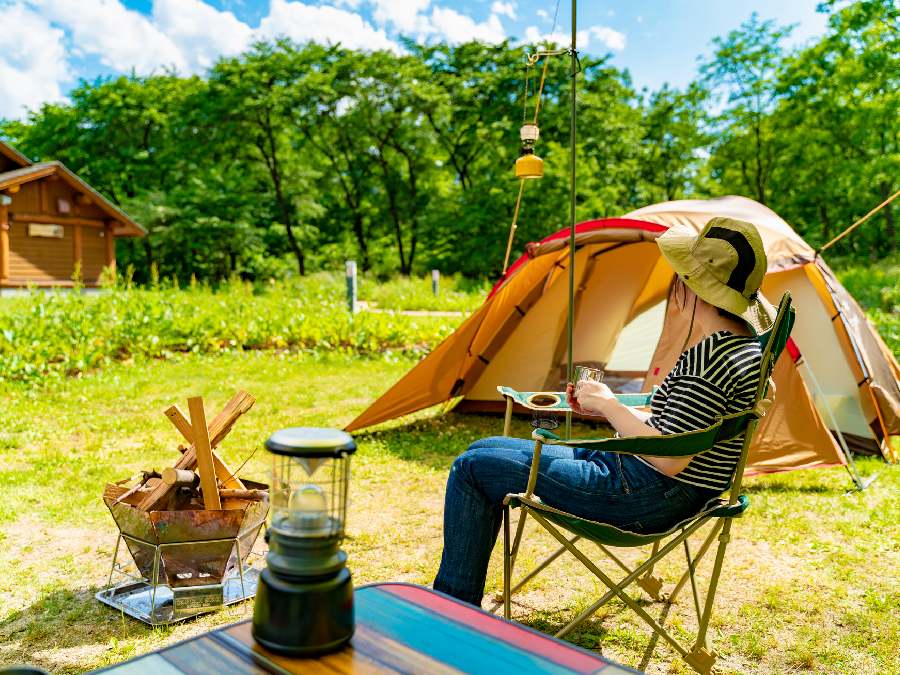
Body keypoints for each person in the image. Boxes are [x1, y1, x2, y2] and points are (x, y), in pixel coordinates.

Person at [432, 217, 777, 606]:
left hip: (642, 494)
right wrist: (606, 407)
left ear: (689, 287)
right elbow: (679, 432)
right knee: (483, 448)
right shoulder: (746, 350)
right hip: (661, 484)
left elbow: (671, 458)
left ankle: (452, 606)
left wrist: (609, 405)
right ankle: (456, 602)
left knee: (471, 469)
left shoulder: (709, 358)